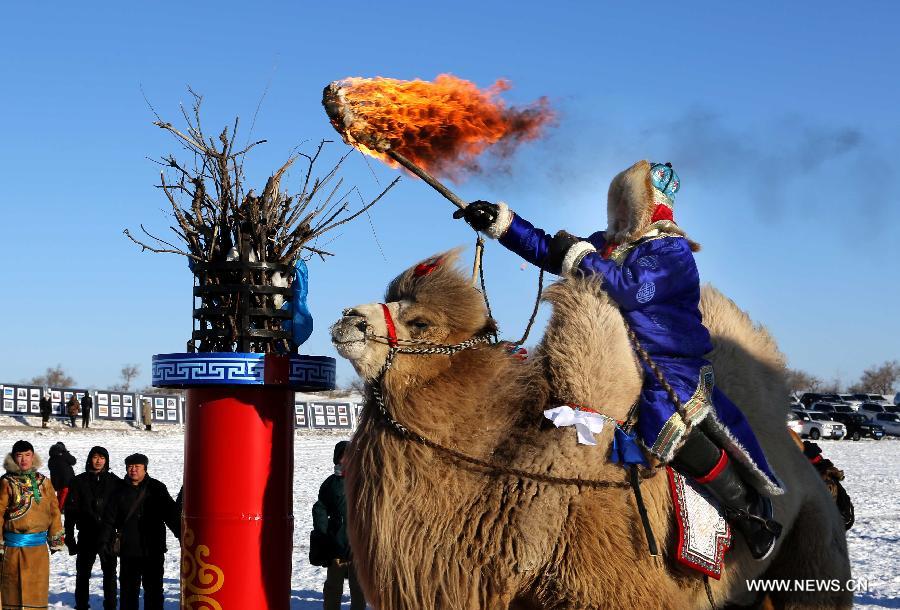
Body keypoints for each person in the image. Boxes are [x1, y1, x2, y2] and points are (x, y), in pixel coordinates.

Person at [456, 160, 783, 559]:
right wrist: (503, 225)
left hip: (668, 365)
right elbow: (551, 249)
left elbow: (633, 291)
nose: (619, 213)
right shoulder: (606, 247)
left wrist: (580, 258)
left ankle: (748, 510)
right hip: (610, 355)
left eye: (628, 204)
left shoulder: (671, 251)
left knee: (664, 424)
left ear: (648, 207)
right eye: (617, 204)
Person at [102, 453, 179, 610]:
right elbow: (108, 520)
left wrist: (182, 536)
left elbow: (171, 515)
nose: (133, 470)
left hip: (153, 549)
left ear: (145, 469)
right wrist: (104, 541)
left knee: (154, 591)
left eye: (137, 467)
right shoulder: (118, 490)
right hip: (128, 550)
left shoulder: (157, 488)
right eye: (130, 467)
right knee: (128, 592)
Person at [0, 440, 65, 609]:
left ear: (33, 456)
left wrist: (56, 538)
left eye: (27, 455)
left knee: (36, 591)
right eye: (19, 456)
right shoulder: (6, 482)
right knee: (12, 590)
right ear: (13, 458)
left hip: (38, 550)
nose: (23, 460)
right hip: (13, 549)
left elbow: (54, 511)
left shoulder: (44, 482)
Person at [311, 441, 366, 610]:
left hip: (358, 546)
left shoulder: (362, 482)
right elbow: (320, 507)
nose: (345, 461)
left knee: (358, 588)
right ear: (337, 459)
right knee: (333, 586)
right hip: (336, 545)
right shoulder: (330, 483)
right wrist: (323, 532)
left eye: (349, 457)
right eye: (342, 457)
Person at [66, 446, 120, 610]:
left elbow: (121, 510)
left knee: (110, 574)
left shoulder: (115, 481)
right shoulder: (78, 481)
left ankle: (110, 606)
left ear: (106, 460)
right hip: (86, 534)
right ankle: (81, 605)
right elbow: (70, 512)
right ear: (90, 459)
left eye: (102, 458)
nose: (98, 461)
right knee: (82, 574)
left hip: (108, 535)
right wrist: (69, 536)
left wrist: (121, 534)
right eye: (95, 457)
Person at [48, 441, 77, 511]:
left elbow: (50, 467)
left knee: (60, 495)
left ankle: (59, 508)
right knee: (64, 495)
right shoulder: (65, 455)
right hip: (67, 480)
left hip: (56, 481)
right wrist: (67, 453)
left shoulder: (51, 459)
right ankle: (59, 509)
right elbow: (73, 461)